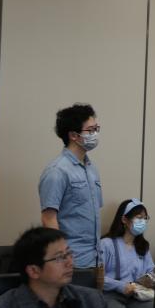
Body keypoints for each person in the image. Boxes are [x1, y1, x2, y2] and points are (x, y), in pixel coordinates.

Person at [38, 103, 104, 268]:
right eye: (90, 130)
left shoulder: (92, 169)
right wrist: (61, 259)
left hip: (95, 259)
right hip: (71, 262)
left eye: (96, 129)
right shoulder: (57, 171)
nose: (95, 134)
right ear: (74, 135)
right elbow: (48, 219)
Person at [98, 199, 155, 308]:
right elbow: (98, 278)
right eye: (138, 217)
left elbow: (151, 271)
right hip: (110, 296)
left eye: (145, 218)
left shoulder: (143, 246)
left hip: (136, 296)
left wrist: (152, 279)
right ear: (124, 219)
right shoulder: (106, 244)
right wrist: (121, 286)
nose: (142, 221)